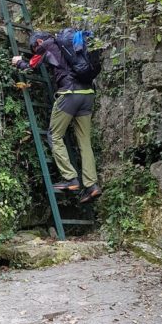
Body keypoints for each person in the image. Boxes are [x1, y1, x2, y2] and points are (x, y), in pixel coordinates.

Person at [12, 30, 102, 204]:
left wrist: (19, 62)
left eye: (34, 47)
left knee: (54, 135)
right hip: (88, 94)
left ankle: (70, 178)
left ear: (38, 41)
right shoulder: (70, 48)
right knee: (84, 142)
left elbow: (31, 65)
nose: (35, 50)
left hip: (70, 94)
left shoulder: (46, 45)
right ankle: (92, 185)